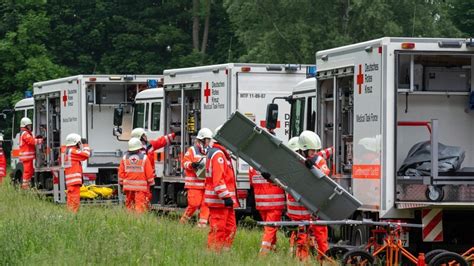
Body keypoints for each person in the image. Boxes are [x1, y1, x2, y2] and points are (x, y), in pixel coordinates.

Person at [286, 132, 330, 261]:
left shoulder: (318, 160)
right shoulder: (295, 161)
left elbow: (325, 175)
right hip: (299, 211)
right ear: (303, 149)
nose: (314, 153)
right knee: (302, 240)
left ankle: (324, 260)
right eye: (311, 151)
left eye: (315, 150)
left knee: (321, 237)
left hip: (316, 207)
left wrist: (313, 168)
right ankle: (303, 262)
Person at [204, 125, 238, 252]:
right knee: (218, 230)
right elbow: (218, 181)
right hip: (220, 202)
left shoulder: (220, 153)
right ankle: (214, 255)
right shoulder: (218, 154)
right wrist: (226, 197)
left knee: (230, 228)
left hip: (224, 202)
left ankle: (223, 255)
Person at [130, 128, 179, 207]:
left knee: (146, 198)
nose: (146, 136)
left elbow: (161, 141)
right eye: (144, 135)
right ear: (140, 137)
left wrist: (174, 135)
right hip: (140, 178)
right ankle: (138, 215)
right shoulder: (134, 150)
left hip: (149, 178)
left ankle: (143, 212)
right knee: (138, 199)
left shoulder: (149, 145)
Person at [180, 128, 212, 227]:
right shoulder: (192, 150)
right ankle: (183, 222)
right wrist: (191, 165)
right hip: (194, 185)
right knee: (194, 204)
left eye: (209, 140)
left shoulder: (210, 151)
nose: (209, 142)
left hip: (206, 184)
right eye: (207, 139)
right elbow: (184, 163)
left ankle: (202, 226)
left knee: (205, 205)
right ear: (202, 139)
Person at [249, 167, 285, 254]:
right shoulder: (273, 164)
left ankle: (273, 250)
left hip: (261, 203)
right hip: (275, 202)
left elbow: (251, 183)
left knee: (269, 228)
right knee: (270, 229)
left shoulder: (252, 167)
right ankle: (263, 254)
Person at [118, 138, 154, 213]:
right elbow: (149, 173)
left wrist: (121, 184)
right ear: (139, 147)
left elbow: (121, 173)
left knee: (129, 205)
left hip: (128, 187)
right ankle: (138, 222)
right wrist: (151, 184)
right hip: (140, 188)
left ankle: (129, 221)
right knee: (140, 206)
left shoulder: (124, 158)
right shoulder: (144, 158)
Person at [63, 133, 90, 213]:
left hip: (71, 181)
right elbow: (86, 155)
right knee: (74, 201)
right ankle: (73, 217)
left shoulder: (68, 151)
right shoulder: (72, 151)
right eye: (79, 142)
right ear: (75, 142)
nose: (79, 144)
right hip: (74, 182)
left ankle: (70, 216)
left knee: (71, 201)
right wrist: (85, 145)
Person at [19, 117, 42, 189]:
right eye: (29, 125)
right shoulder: (25, 133)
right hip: (27, 157)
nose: (30, 127)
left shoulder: (25, 133)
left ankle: (27, 186)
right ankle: (25, 188)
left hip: (28, 157)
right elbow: (31, 141)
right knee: (28, 172)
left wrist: (36, 138)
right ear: (25, 125)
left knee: (30, 171)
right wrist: (40, 140)